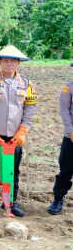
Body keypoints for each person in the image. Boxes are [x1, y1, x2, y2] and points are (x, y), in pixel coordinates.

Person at [0, 45, 37, 217]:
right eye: (5, 60)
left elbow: (30, 108)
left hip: (14, 136)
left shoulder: (26, 83)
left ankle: (11, 200)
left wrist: (23, 131)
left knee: (13, 170)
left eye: (13, 61)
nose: (9, 64)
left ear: (18, 63)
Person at [49, 61, 73, 215]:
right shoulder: (68, 87)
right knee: (66, 169)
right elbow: (64, 110)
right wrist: (70, 130)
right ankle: (58, 199)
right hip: (71, 137)